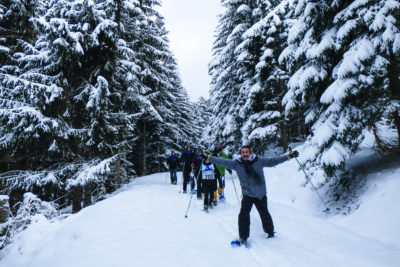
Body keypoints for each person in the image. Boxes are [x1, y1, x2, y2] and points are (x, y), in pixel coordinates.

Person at [203, 145, 299, 246]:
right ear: (241, 154)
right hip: (247, 195)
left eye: (246, 152)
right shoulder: (237, 163)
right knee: (243, 215)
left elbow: (273, 161)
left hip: (260, 194)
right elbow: (223, 161)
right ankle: (243, 237)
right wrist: (209, 158)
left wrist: (288, 156)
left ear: (250, 153)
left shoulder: (259, 160)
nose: (245, 154)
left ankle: (270, 232)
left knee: (264, 214)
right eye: (243, 152)